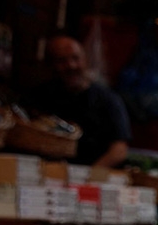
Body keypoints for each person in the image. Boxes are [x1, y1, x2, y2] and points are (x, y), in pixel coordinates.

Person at [28, 35, 131, 167]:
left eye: (75, 58)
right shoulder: (40, 96)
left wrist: (88, 176)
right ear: (51, 64)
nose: (71, 65)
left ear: (85, 60)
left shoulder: (108, 100)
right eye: (62, 60)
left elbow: (119, 150)